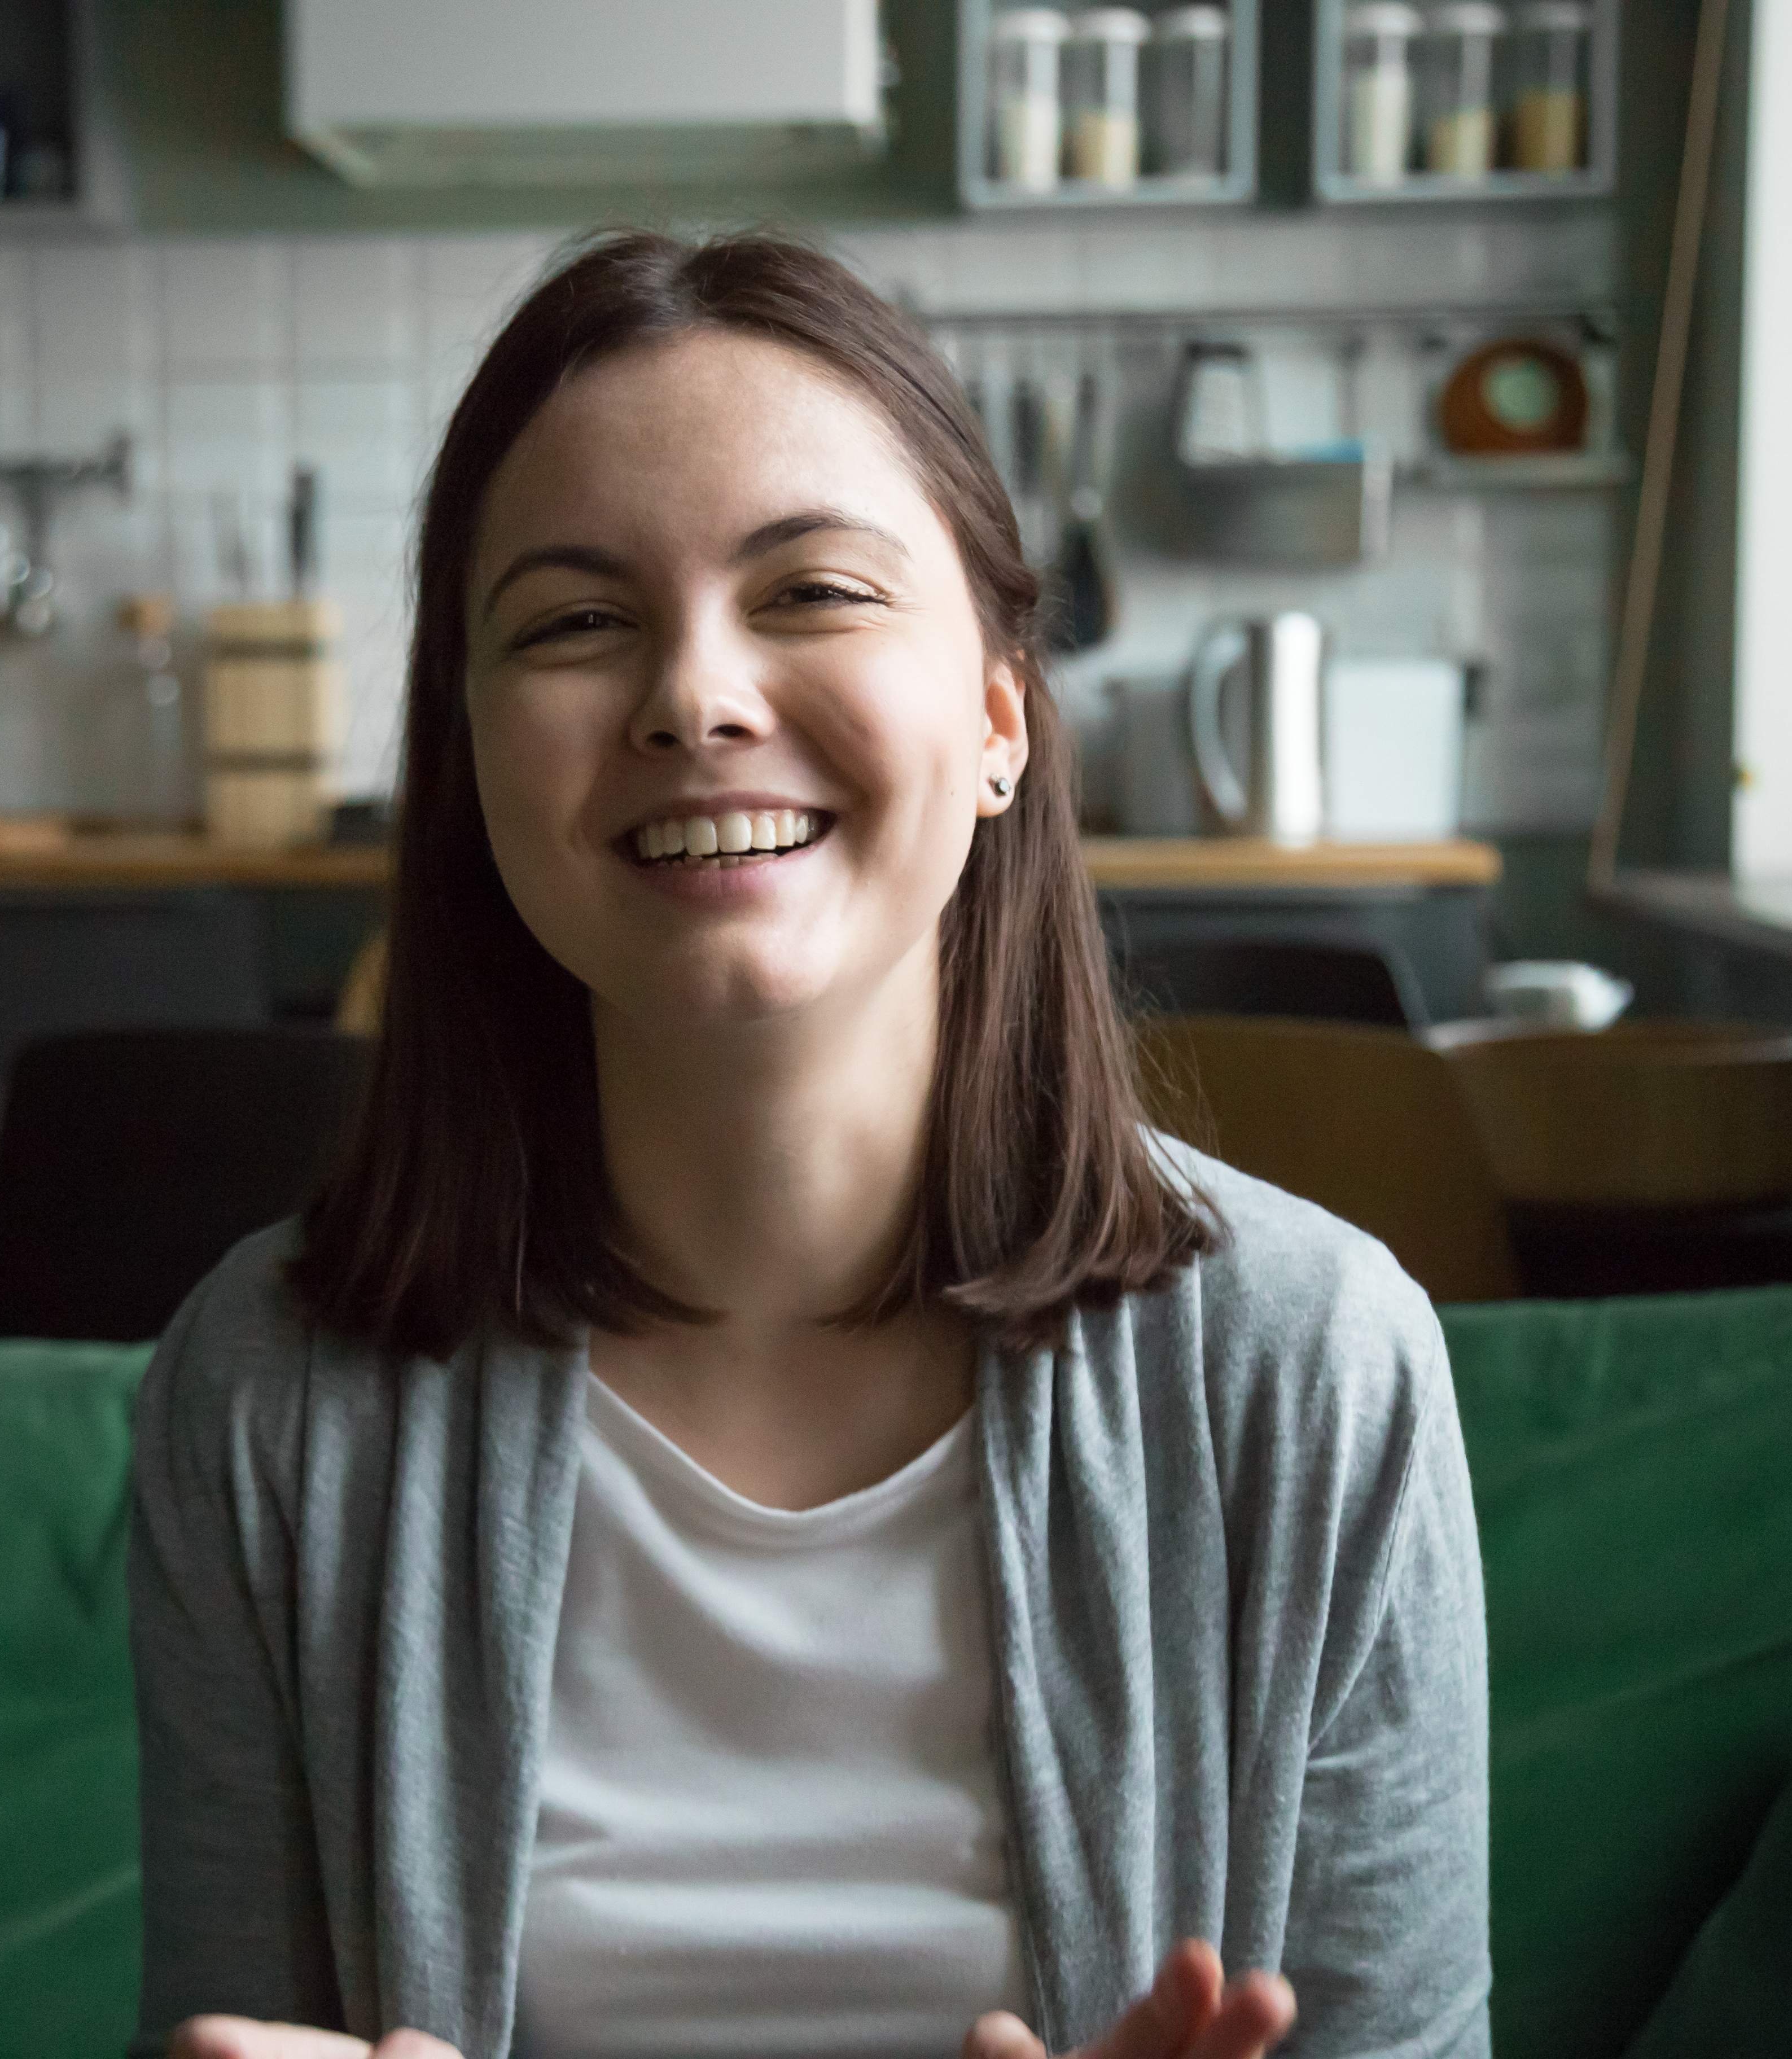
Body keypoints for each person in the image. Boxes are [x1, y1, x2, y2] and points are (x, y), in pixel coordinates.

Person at [129, 231, 1489, 2059]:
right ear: (468, 759)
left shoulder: (1313, 1367)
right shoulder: (269, 1392)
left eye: (815, 592)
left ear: (1000, 715)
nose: (694, 697)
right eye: (574, 623)